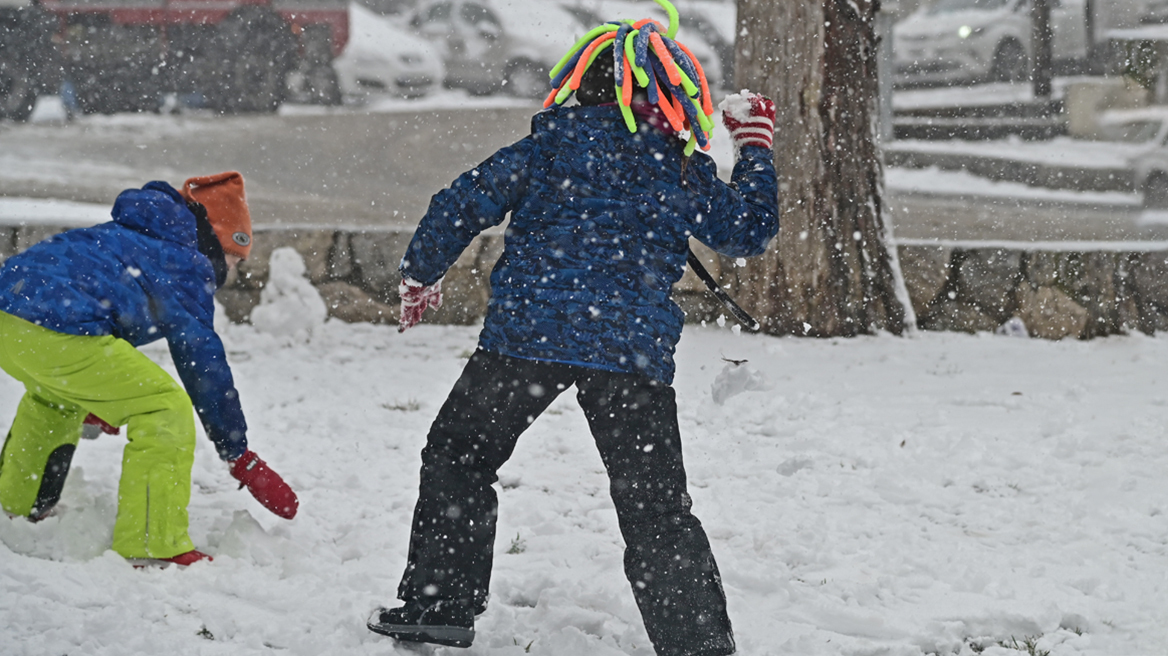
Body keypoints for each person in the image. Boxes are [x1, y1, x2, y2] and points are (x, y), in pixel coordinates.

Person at [367, 6, 779, 655]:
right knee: (655, 511)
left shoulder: (546, 147)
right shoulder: (679, 167)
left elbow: (460, 202)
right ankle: (697, 644)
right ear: (672, 92)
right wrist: (752, 147)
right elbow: (749, 231)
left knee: (459, 457)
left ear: (581, 83)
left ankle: (439, 606)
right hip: (628, 355)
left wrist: (422, 273)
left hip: (524, 340)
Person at [0, 171, 298, 566]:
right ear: (216, 238)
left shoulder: (138, 235)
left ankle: (16, 504)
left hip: (10, 316)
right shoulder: (187, 262)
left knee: (53, 400)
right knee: (163, 407)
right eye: (232, 259)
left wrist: (98, 395)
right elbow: (202, 359)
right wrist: (237, 452)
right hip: (59, 328)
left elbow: (99, 294)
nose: (231, 272)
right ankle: (151, 542)